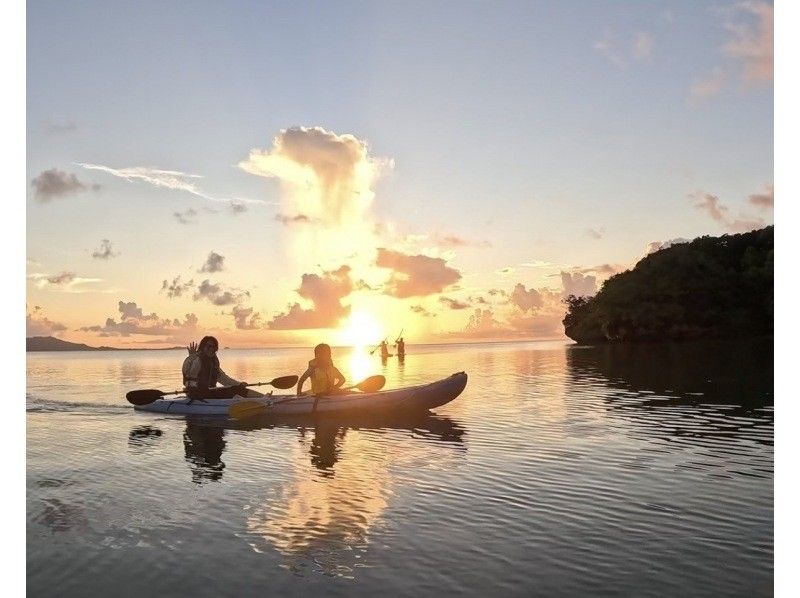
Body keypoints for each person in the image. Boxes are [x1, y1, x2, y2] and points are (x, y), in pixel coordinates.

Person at [183, 336, 248, 400]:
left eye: (214, 347)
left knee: (237, 389)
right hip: (197, 394)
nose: (211, 349)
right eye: (209, 346)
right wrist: (192, 357)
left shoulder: (213, 363)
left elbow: (225, 380)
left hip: (210, 392)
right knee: (229, 392)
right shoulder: (196, 360)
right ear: (203, 347)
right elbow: (189, 374)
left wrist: (239, 384)